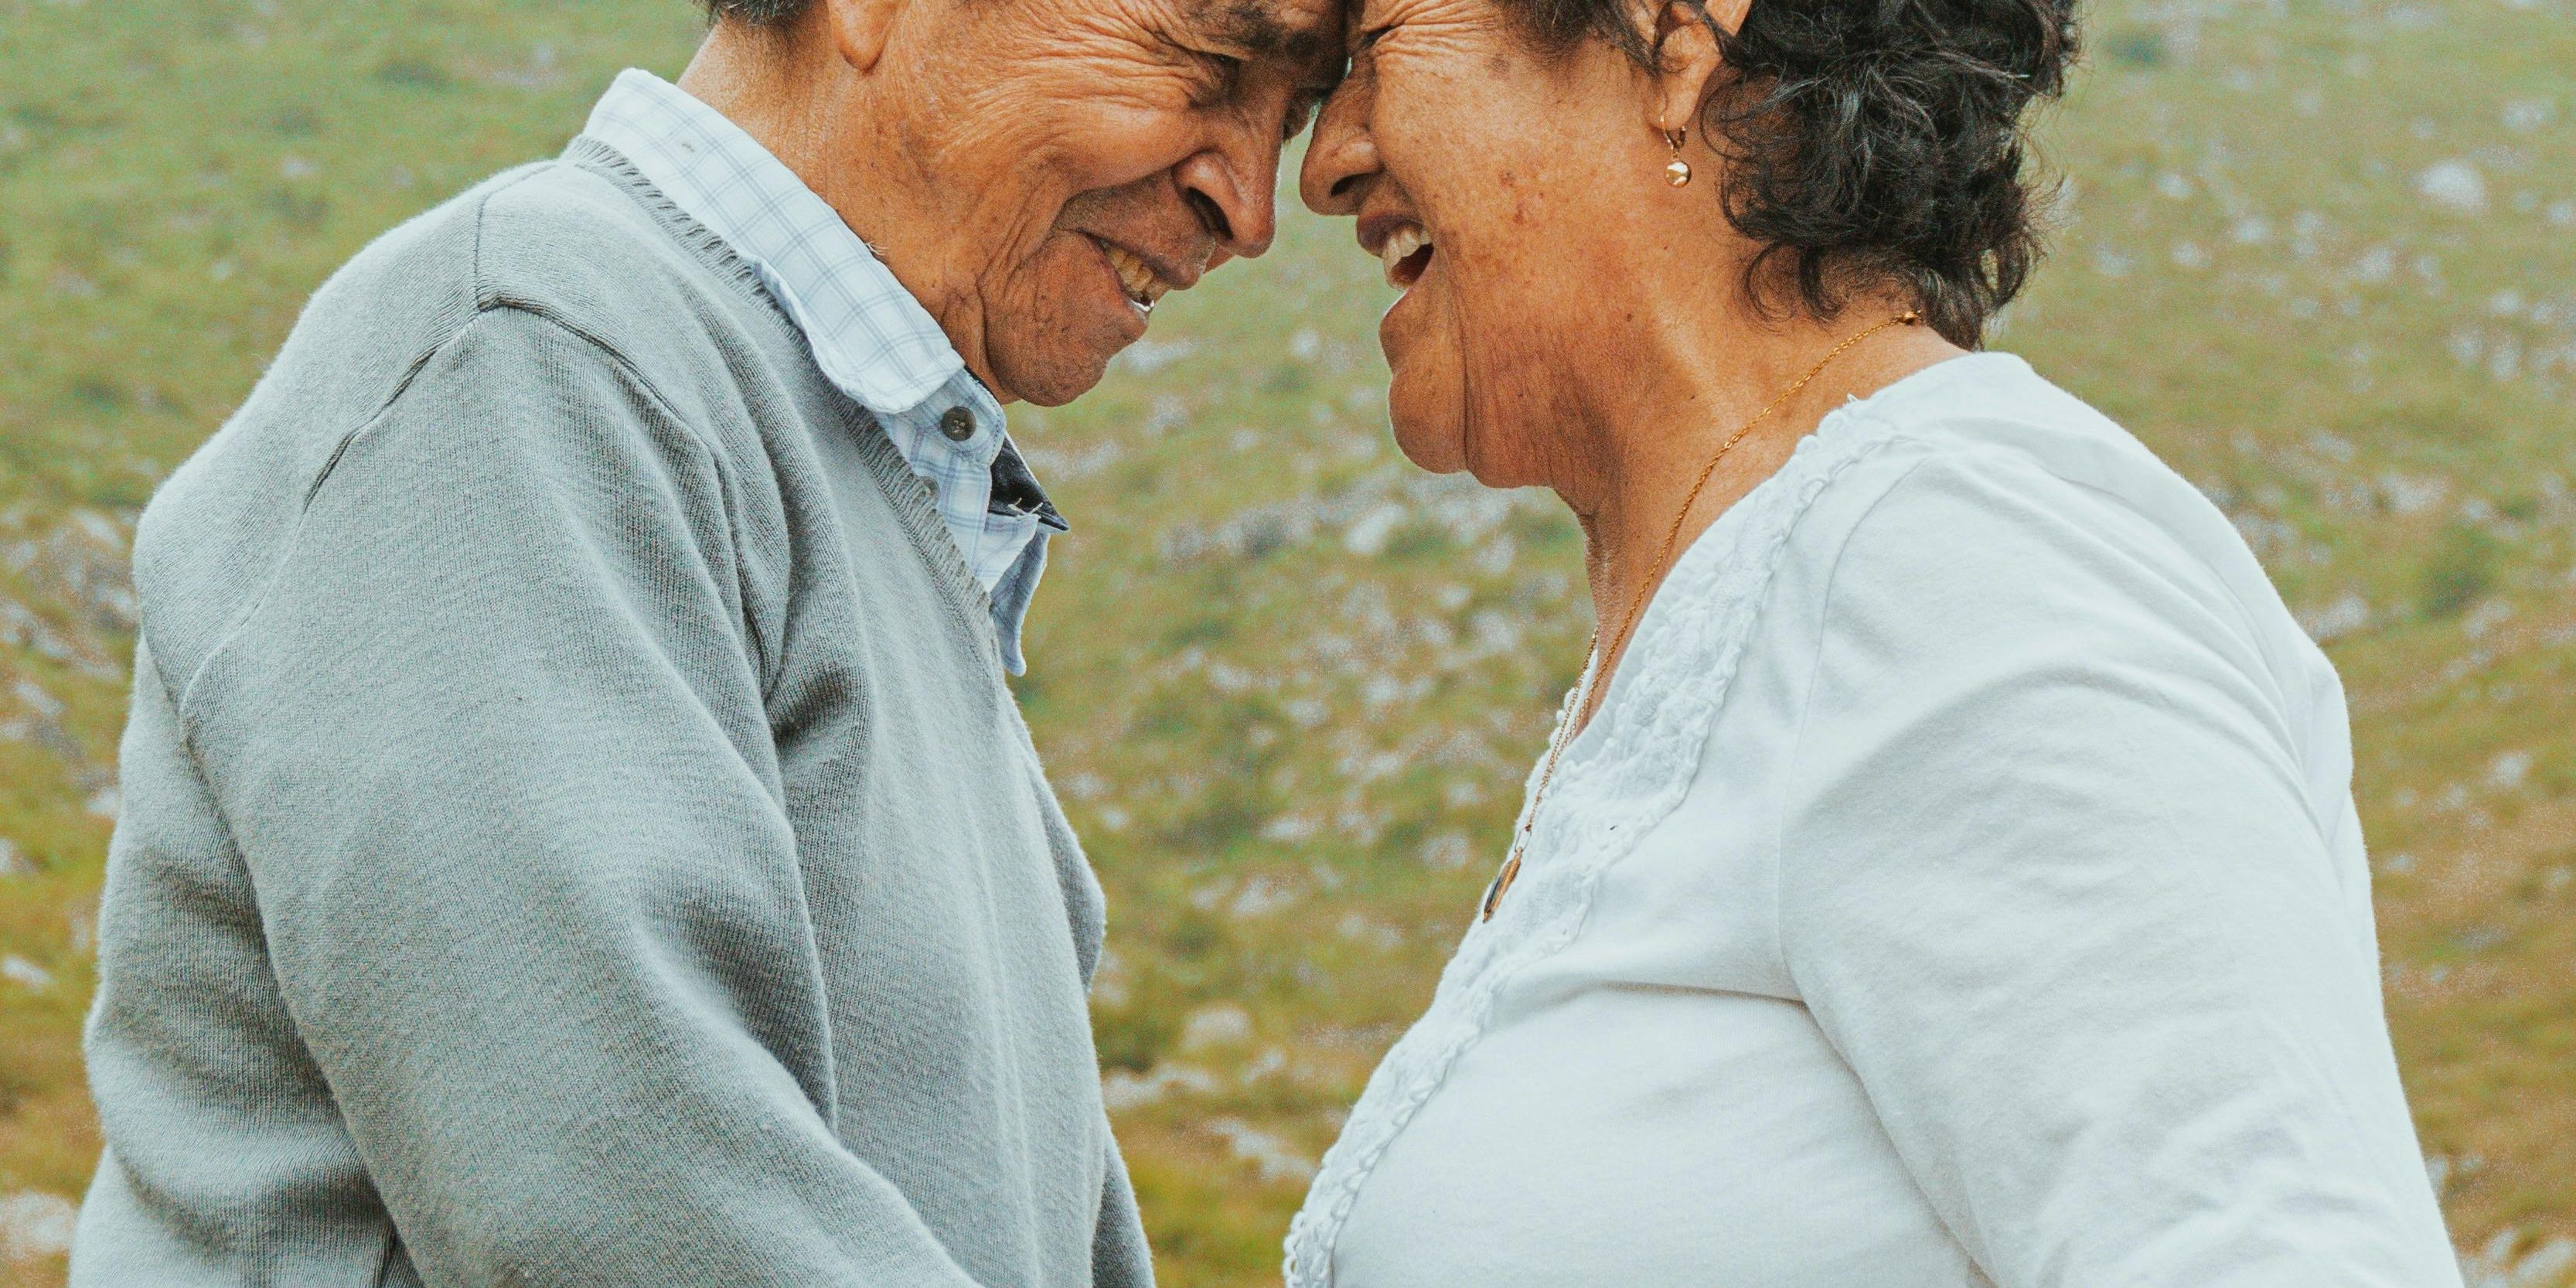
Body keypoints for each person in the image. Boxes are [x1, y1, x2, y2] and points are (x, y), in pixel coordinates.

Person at [70, 0, 1338, 1283]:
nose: (1251, 206)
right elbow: (621, 1202)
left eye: (1289, 118)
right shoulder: (528, 355)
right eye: (1214, 61)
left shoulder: (824, 457)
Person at [1281, 0, 2465, 1281]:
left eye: (1377, 47)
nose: (1325, 158)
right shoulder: (1771, 601)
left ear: (1673, 42)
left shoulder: (1956, 558)